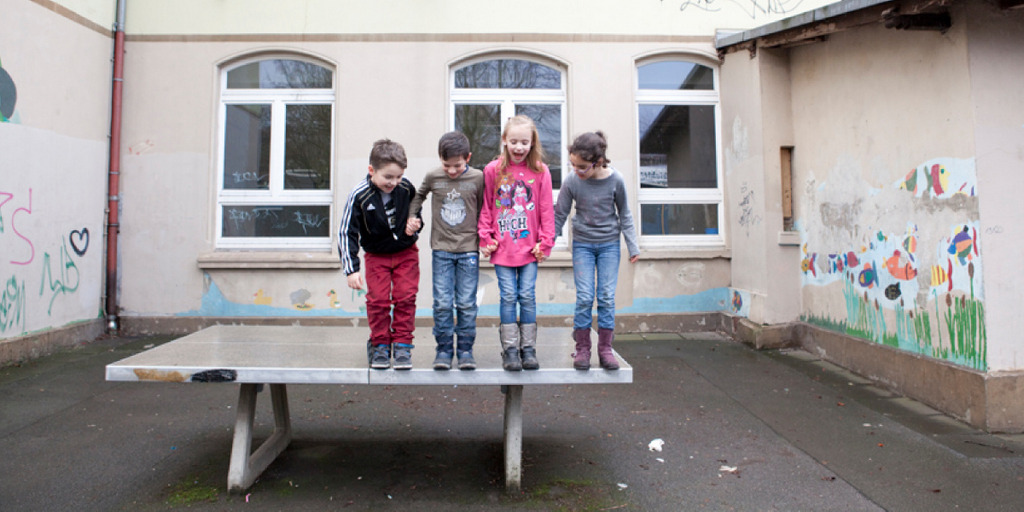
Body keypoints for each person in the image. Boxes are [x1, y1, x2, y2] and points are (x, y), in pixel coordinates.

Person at [554, 131, 639, 371]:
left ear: (598, 161)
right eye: (573, 165)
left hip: (609, 246)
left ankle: (605, 349)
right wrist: (546, 242)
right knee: (584, 297)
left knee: (606, 297)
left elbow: (625, 214)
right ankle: (583, 348)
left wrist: (633, 245)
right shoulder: (572, 180)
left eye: (581, 166)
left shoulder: (616, 180)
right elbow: (559, 213)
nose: (576, 170)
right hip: (582, 245)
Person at [478, 115, 555, 371]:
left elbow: (546, 209)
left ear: (532, 142)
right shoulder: (493, 170)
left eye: (524, 142)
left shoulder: (540, 171)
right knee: (509, 296)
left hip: (529, 249)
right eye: (514, 141)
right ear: (504, 141)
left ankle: (528, 349)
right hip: (503, 249)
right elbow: (487, 206)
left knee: (528, 296)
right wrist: (485, 237)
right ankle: (510, 350)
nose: (519, 147)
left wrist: (545, 242)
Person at [406, 131, 485, 371]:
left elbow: (486, 207)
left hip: (468, 249)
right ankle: (443, 350)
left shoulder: (478, 178)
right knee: (442, 302)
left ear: (468, 158)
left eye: (457, 165)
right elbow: (418, 196)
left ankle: (465, 350)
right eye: (447, 165)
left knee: (466, 303)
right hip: (441, 249)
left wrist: (487, 237)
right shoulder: (433, 177)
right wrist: (412, 216)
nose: (452, 171)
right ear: (440, 159)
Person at [340, 139, 421, 370]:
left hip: (406, 253)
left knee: (406, 298)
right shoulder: (359, 195)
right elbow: (347, 231)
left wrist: (415, 223)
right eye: (388, 177)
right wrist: (351, 269)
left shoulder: (405, 188)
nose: (394, 182)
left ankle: (403, 345)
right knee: (378, 301)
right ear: (371, 171)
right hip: (376, 256)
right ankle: (380, 345)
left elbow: (416, 211)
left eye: (398, 176)